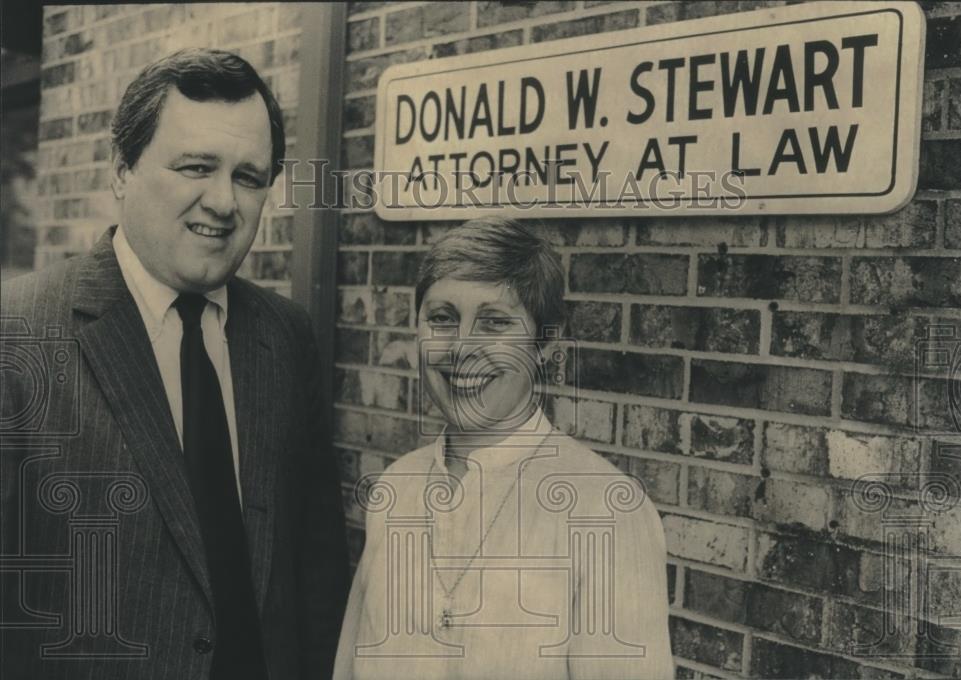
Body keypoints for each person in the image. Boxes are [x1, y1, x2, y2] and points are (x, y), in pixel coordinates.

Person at [0, 49, 349, 680]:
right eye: (196, 167)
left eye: (249, 177)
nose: (223, 202)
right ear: (121, 170)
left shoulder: (287, 336)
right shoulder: (17, 333)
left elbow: (315, 568)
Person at [333, 217, 674, 680]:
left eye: (494, 322)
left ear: (545, 347)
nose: (462, 348)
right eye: (442, 318)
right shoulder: (396, 490)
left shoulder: (607, 511)